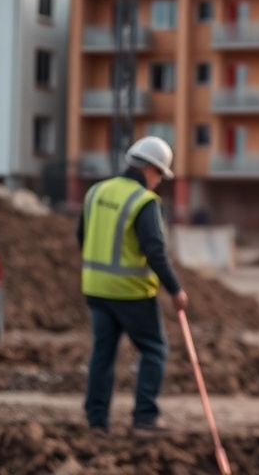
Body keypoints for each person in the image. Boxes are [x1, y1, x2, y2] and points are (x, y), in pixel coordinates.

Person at [78, 135, 189, 435]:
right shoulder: (144, 201)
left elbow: (81, 237)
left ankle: (96, 420)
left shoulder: (96, 192)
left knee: (102, 354)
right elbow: (155, 251)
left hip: (95, 288)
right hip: (130, 292)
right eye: (159, 175)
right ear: (150, 169)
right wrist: (175, 289)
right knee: (154, 349)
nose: (158, 182)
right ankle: (145, 415)